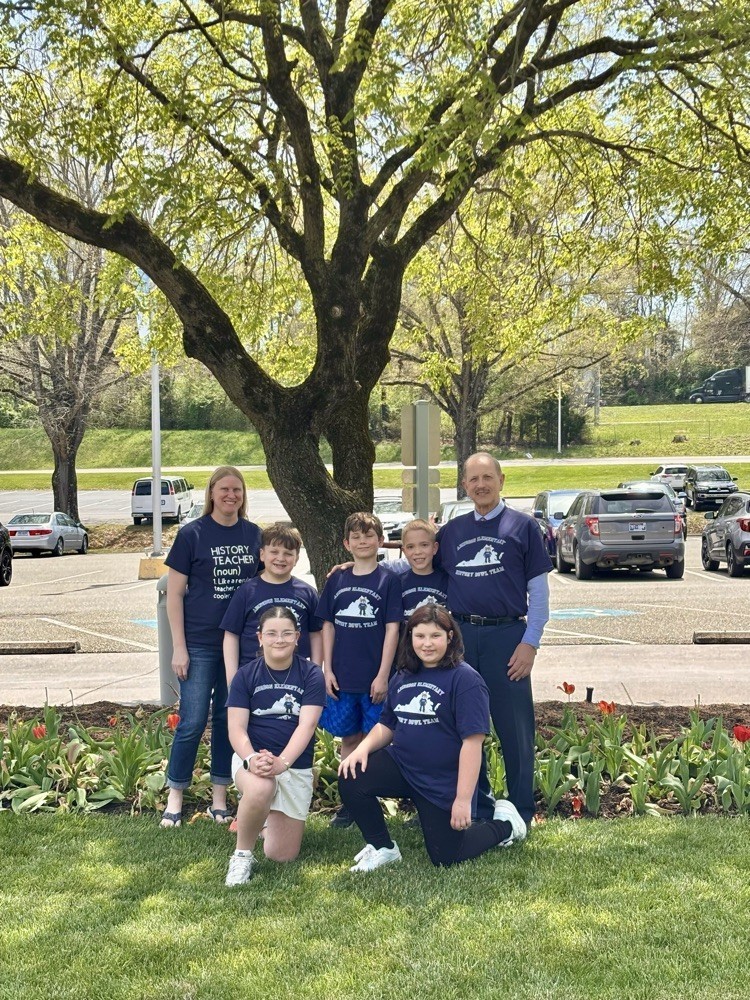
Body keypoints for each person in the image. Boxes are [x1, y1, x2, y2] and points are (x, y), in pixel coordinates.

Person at [338, 605, 527, 870]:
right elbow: (387, 724)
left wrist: (462, 800)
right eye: (420, 636)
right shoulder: (403, 675)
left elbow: (472, 744)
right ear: (410, 637)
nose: (427, 644)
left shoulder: (466, 680)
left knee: (446, 856)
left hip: (441, 782)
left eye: (435, 636)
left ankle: (505, 825)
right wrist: (362, 749)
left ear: (450, 637)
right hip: (403, 766)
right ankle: (382, 848)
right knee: (352, 776)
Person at [435, 452, 552, 826]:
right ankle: (478, 805)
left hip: (508, 638)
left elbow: (541, 594)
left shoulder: (523, 527)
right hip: (462, 640)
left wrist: (530, 643)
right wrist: (362, 564)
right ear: (464, 485)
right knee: (466, 727)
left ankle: (521, 811)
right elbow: (418, 564)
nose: (481, 485)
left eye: (488, 477)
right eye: (473, 479)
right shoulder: (451, 532)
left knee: (514, 728)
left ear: (502, 480)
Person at [160, 465, 262, 828]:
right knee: (191, 721)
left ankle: (220, 796)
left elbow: (277, 571)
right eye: (224, 489)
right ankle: (175, 795)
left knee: (226, 719)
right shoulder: (192, 534)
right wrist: (179, 648)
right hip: (200, 643)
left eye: (237, 489)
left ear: (243, 495)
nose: (231, 495)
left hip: (240, 646)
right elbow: (174, 596)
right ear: (212, 493)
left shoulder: (254, 535)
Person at [224, 606, 325, 886]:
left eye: (286, 633)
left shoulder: (312, 674)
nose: (278, 640)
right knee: (261, 787)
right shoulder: (245, 675)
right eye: (271, 633)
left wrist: (283, 763)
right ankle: (242, 856)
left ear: (297, 637)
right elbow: (236, 727)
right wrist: (251, 758)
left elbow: (306, 725)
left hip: (293, 764)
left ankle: (259, 821)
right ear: (259, 637)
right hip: (253, 762)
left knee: (282, 855)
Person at [316, 512, 402, 827]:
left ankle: (369, 798)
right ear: (346, 543)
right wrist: (327, 669)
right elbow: (327, 625)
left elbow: (392, 629)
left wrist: (383, 675)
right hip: (343, 677)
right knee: (349, 740)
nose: (362, 541)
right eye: (355, 537)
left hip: (374, 678)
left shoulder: (388, 580)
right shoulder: (337, 579)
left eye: (369, 536)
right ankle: (349, 802)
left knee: (373, 741)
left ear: (380, 541)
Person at [220, 522, 323, 684]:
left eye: (288, 553)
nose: (281, 558)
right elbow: (231, 634)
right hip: (252, 675)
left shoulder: (308, 593)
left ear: (297, 558)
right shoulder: (246, 591)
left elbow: (316, 634)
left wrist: (316, 672)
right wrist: (232, 678)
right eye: (274, 552)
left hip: (297, 676)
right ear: (262, 555)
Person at [398, 519, 449, 620]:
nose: (417, 552)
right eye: (410, 547)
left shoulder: (448, 581)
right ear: (404, 551)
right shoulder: (397, 583)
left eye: (424, 545)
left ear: (435, 548)